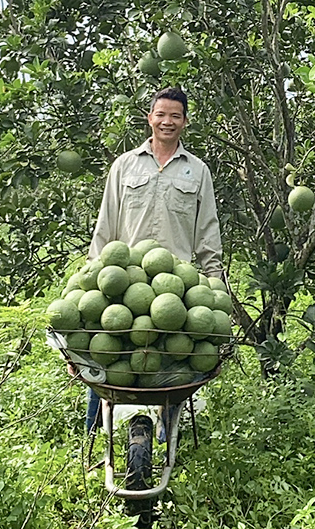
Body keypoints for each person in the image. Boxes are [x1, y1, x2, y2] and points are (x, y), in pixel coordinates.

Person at [81, 86, 225, 433]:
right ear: (150, 119)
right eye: (161, 114)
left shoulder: (197, 171)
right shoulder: (125, 166)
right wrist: (92, 272)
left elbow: (207, 229)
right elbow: (106, 223)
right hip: (125, 280)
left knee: (174, 360)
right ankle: (93, 432)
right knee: (105, 357)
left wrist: (215, 278)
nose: (167, 121)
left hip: (176, 286)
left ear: (185, 122)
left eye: (175, 116)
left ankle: (168, 429)